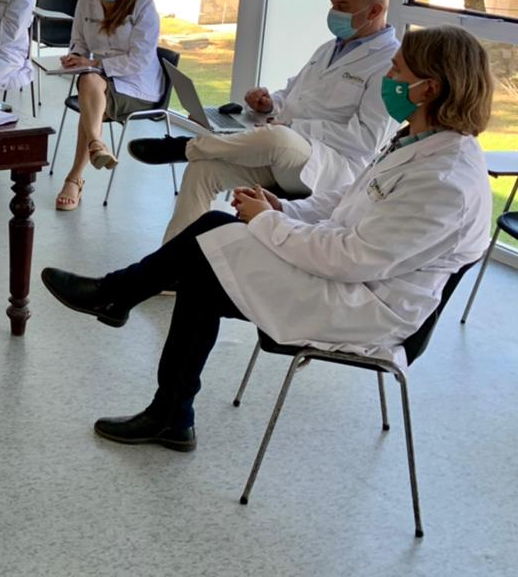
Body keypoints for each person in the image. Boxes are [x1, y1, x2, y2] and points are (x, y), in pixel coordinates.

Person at [40, 26, 492, 451]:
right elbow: (343, 202)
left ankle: (123, 312)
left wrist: (265, 223)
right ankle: (158, 387)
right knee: (209, 250)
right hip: (348, 275)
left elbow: (352, 259)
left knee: (210, 248)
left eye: (397, 71)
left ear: (429, 89)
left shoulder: (445, 181)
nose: (388, 79)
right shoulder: (416, 143)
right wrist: (282, 210)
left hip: (368, 310)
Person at [130, 0, 400, 241]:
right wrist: (269, 104)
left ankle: (185, 147)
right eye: (332, 4)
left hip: (327, 166)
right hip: (282, 156)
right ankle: (171, 260)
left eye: (342, 6)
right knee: (202, 170)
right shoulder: (330, 48)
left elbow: (366, 139)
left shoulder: (388, 64)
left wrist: (295, 127)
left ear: (374, 11)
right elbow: (294, 94)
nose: (333, 12)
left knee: (279, 137)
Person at [55, 0, 165, 210]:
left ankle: (75, 178)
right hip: (101, 80)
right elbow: (79, 41)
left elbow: (139, 60)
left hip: (137, 87)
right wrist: (75, 57)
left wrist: (94, 64)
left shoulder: (143, 6)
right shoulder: (86, 2)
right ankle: (96, 146)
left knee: (90, 102)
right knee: (89, 85)